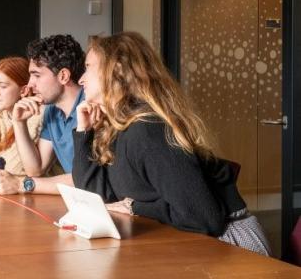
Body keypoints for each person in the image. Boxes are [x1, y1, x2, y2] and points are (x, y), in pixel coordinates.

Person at [74, 32, 270, 255]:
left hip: (231, 244)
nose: (81, 79)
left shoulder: (148, 131)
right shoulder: (119, 128)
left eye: (88, 67)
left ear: (117, 70)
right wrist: (84, 132)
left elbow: (202, 218)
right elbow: (96, 197)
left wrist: (135, 207)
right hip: (187, 239)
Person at [0, 34, 85, 195]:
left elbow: (88, 179)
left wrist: (20, 184)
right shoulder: (53, 110)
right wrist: (19, 123)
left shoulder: (89, 109)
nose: (30, 84)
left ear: (63, 76)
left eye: (36, 75)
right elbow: (36, 169)